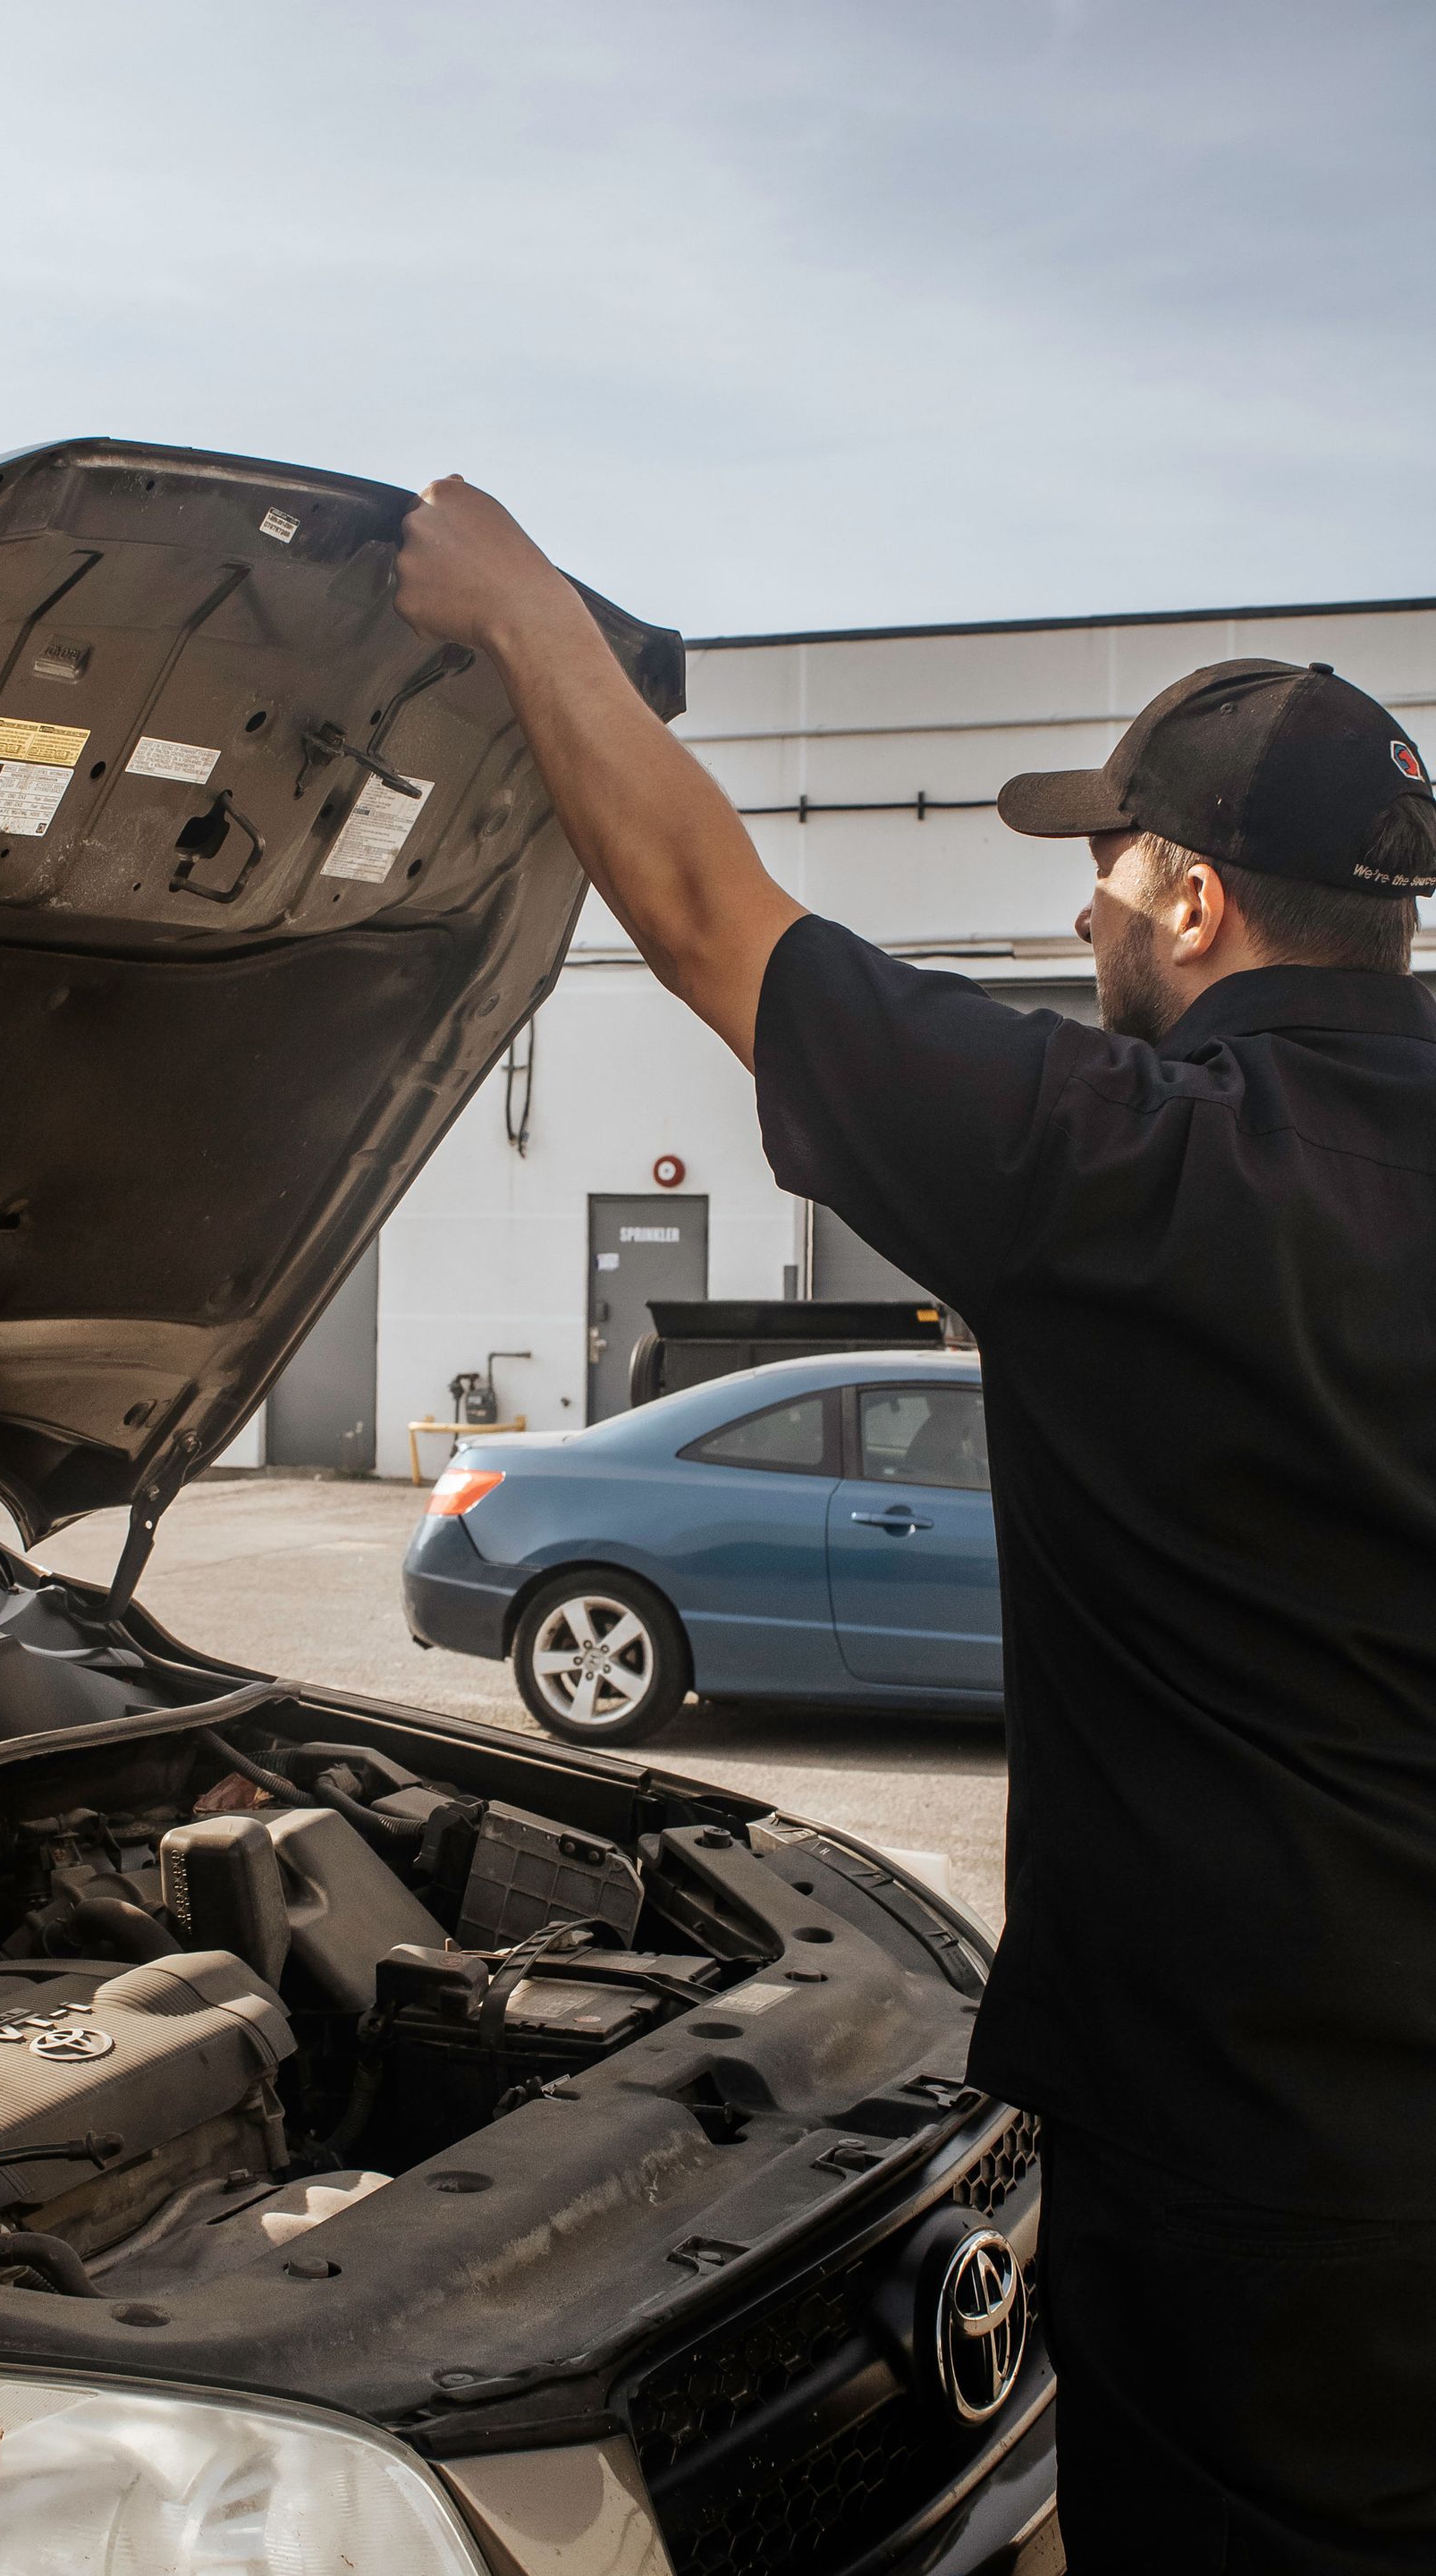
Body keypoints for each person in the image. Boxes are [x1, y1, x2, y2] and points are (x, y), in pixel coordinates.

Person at [394, 479, 1436, 2575]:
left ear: (1198, 900)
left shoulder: (1131, 1168)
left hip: (1262, 2167)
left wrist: (519, 612)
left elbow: (707, 911)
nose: (1081, 923)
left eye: (1106, 876)